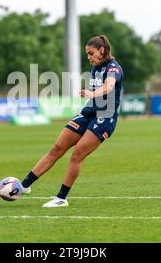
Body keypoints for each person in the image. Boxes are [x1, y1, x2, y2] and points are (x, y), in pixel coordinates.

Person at [20, 35, 124, 208]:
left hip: (105, 117)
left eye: (91, 53)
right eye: (87, 54)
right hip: (88, 112)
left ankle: (61, 198)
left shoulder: (114, 68)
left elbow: (109, 86)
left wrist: (93, 93)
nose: (88, 57)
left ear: (102, 51)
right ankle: (24, 186)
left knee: (77, 154)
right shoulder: (95, 68)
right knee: (57, 148)